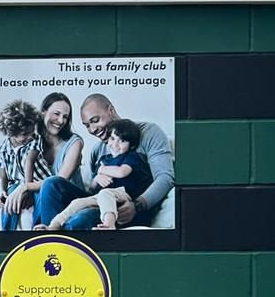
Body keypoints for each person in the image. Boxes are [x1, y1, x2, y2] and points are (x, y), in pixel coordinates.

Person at [32, 93, 175, 230]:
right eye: (87, 125)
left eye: (95, 120)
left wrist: (138, 205)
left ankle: (59, 241)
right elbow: (90, 191)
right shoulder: (97, 150)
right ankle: (48, 234)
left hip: (127, 206)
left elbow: (165, 177)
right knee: (52, 183)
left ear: (111, 111)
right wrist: (96, 178)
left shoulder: (148, 132)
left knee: (82, 218)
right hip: (100, 201)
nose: (93, 129)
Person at [43, 119, 152, 231]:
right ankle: (53, 226)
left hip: (122, 195)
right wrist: (97, 178)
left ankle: (109, 225)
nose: (115, 144)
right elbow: (92, 186)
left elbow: (122, 172)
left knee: (105, 193)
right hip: (100, 198)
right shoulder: (105, 159)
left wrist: (102, 169)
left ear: (132, 145)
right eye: (112, 138)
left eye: (122, 141)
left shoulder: (131, 156)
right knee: (77, 202)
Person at [0, 91, 82, 225]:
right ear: (43, 112)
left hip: (67, 195)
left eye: (65, 117)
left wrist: (25, 187)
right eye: (56, 114)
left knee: (47, 186)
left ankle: (42, 234)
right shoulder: (31, 138)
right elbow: (16, 169)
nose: (61, 121)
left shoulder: (74, 143)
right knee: (15, 191)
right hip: (41, 191)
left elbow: (58, 182)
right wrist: (4, 192)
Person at [0, 99, 47, 230]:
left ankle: (37, 231)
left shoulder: (35, 141)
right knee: (10, 198)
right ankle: (7, 233)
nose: (30, 136)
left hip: (38, 183)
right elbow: (3, 177)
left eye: (32, 131)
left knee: (41, 199)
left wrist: (27, 191)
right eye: (25, 134)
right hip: (17, 185)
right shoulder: (3, 150)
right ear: (10, 132)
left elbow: (29, 162)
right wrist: (2, 191)